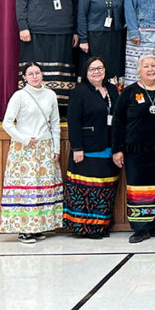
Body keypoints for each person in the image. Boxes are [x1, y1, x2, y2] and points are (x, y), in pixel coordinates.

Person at [112, 55, 155, 243]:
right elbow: (118, 121)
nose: (150, 69)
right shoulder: (130, 92)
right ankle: (141, 229)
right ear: (139, 71)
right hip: (136, 149)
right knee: (138, 188)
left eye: (154, 66)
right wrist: (117, 149)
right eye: (146, 66)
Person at [0, 62, 63, 243]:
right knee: (26, 189)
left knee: (41, 189)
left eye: (38, 72)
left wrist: (56, 148)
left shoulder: (50, 95)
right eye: (31, 73)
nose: (35, 76)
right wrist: (24, 139)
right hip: (24, 149)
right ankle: (24, 229)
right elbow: (7, 123)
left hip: (45, 147)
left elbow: (55, 124)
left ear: (42, 75)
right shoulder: (19, 96)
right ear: (24, 78)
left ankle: (37, 226)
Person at [16, 0, 79, 108]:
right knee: (36, 73)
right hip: (36, 33)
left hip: (63, 33)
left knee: (60, 78)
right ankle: (31, 109)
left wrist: (75, 31)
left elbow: (76, 4)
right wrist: (23, 26)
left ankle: (59, 111)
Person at [63, 57, 120, 239]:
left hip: (108, 147)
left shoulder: (112, 90)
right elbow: (73, 121)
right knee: (86, 190)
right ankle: (83, 228)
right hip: (86, 149)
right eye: (92, 69)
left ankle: (100, 226)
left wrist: (119, 147)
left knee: (104, 190)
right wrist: (77, 147)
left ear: (105, 70)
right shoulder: (80, 92)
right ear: (86, 73)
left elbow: (118, 119)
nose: (96, 72)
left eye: (100, 68)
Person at [77, 0, 125, 81]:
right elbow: (81, 13)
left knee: (113, 69)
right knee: (97, 70)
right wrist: (83, 39)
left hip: (115, 36)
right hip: (95, 38)